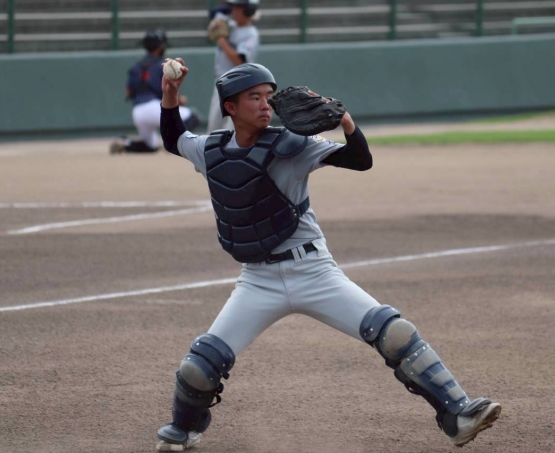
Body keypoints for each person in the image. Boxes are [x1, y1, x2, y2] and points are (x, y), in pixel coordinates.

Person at [154, 58, 502, 451]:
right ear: (230, 107)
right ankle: (184, 429)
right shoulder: (212, 150)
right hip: (258, 280)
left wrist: (345, 121)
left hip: (313, 271)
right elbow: (173, 138)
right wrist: (171, 92)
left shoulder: (292, 146)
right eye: (254, 97)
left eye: (269, 96)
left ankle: (457, 413)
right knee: (200, 365)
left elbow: (360, 160)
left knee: (393, 333)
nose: (266, 105)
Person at [110, 29, 200, 155]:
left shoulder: (136, 67)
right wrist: (180, 100)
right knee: (192, 117)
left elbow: (128, 92)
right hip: (155, 108)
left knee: (150, 146)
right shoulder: (161, 66)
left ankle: (126, 143)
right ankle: (173, 144)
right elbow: (168, 90)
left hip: (138, 112)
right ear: (160, 47)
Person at [206, 0, 260, 133]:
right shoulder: (230, 25)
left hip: (238, 84)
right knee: (214, 127)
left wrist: (221, 40)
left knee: (233, 129)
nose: (233, 11)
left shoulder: (251, 33)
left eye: (238, 8)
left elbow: (239, 61)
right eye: (233, 8)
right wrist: (219, 17)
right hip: (221, 82)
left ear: (248, 10)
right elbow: (212, 13)